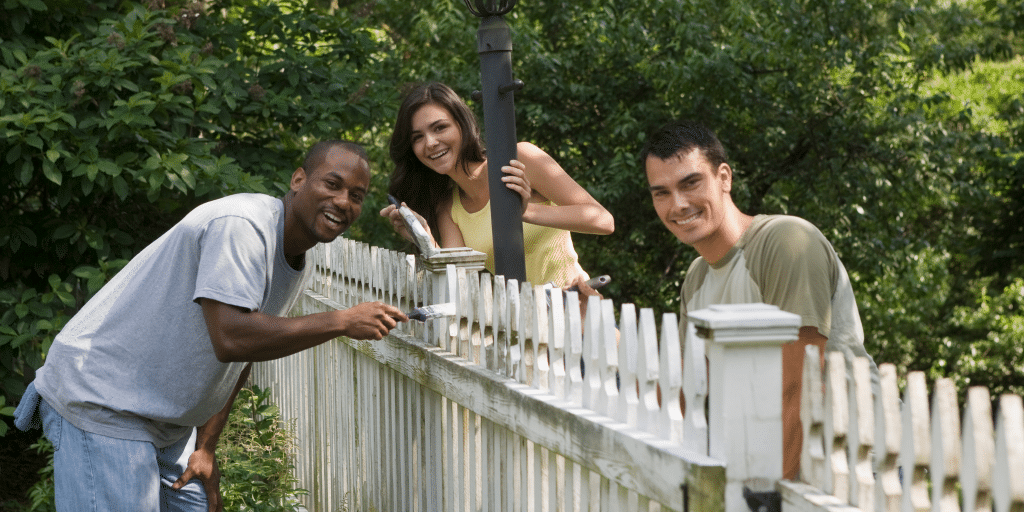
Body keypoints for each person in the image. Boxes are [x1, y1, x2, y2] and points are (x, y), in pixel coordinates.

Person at [14, 140, 408, 512]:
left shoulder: (298, 254)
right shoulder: (243, 225)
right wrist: (341, 321)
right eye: (333, 184)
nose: (343, 201)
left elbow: (249, 347)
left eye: (356, 196)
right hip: (104, 398)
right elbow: (232, 337)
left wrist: (206, 446)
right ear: (299, 180)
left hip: (161, 419)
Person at [641, 119, 878, 481]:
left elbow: (802, 384)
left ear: (724, 178)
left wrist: (769, 494)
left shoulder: (786, 241)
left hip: (860, 464)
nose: (678, 204)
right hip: (785, 467)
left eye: (691, 183)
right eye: (662, 192)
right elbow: (687, 389)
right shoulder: (697, 277)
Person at [379, 82, 614, 291]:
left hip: (579, 315)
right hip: (524, 332)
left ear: (462, 125)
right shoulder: (448, 206)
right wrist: (424, 239)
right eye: (417, 137)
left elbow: (603, 221)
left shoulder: (518, 158)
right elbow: (456, 282)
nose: (430, 143)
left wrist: (524, 211)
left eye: (440, 128)